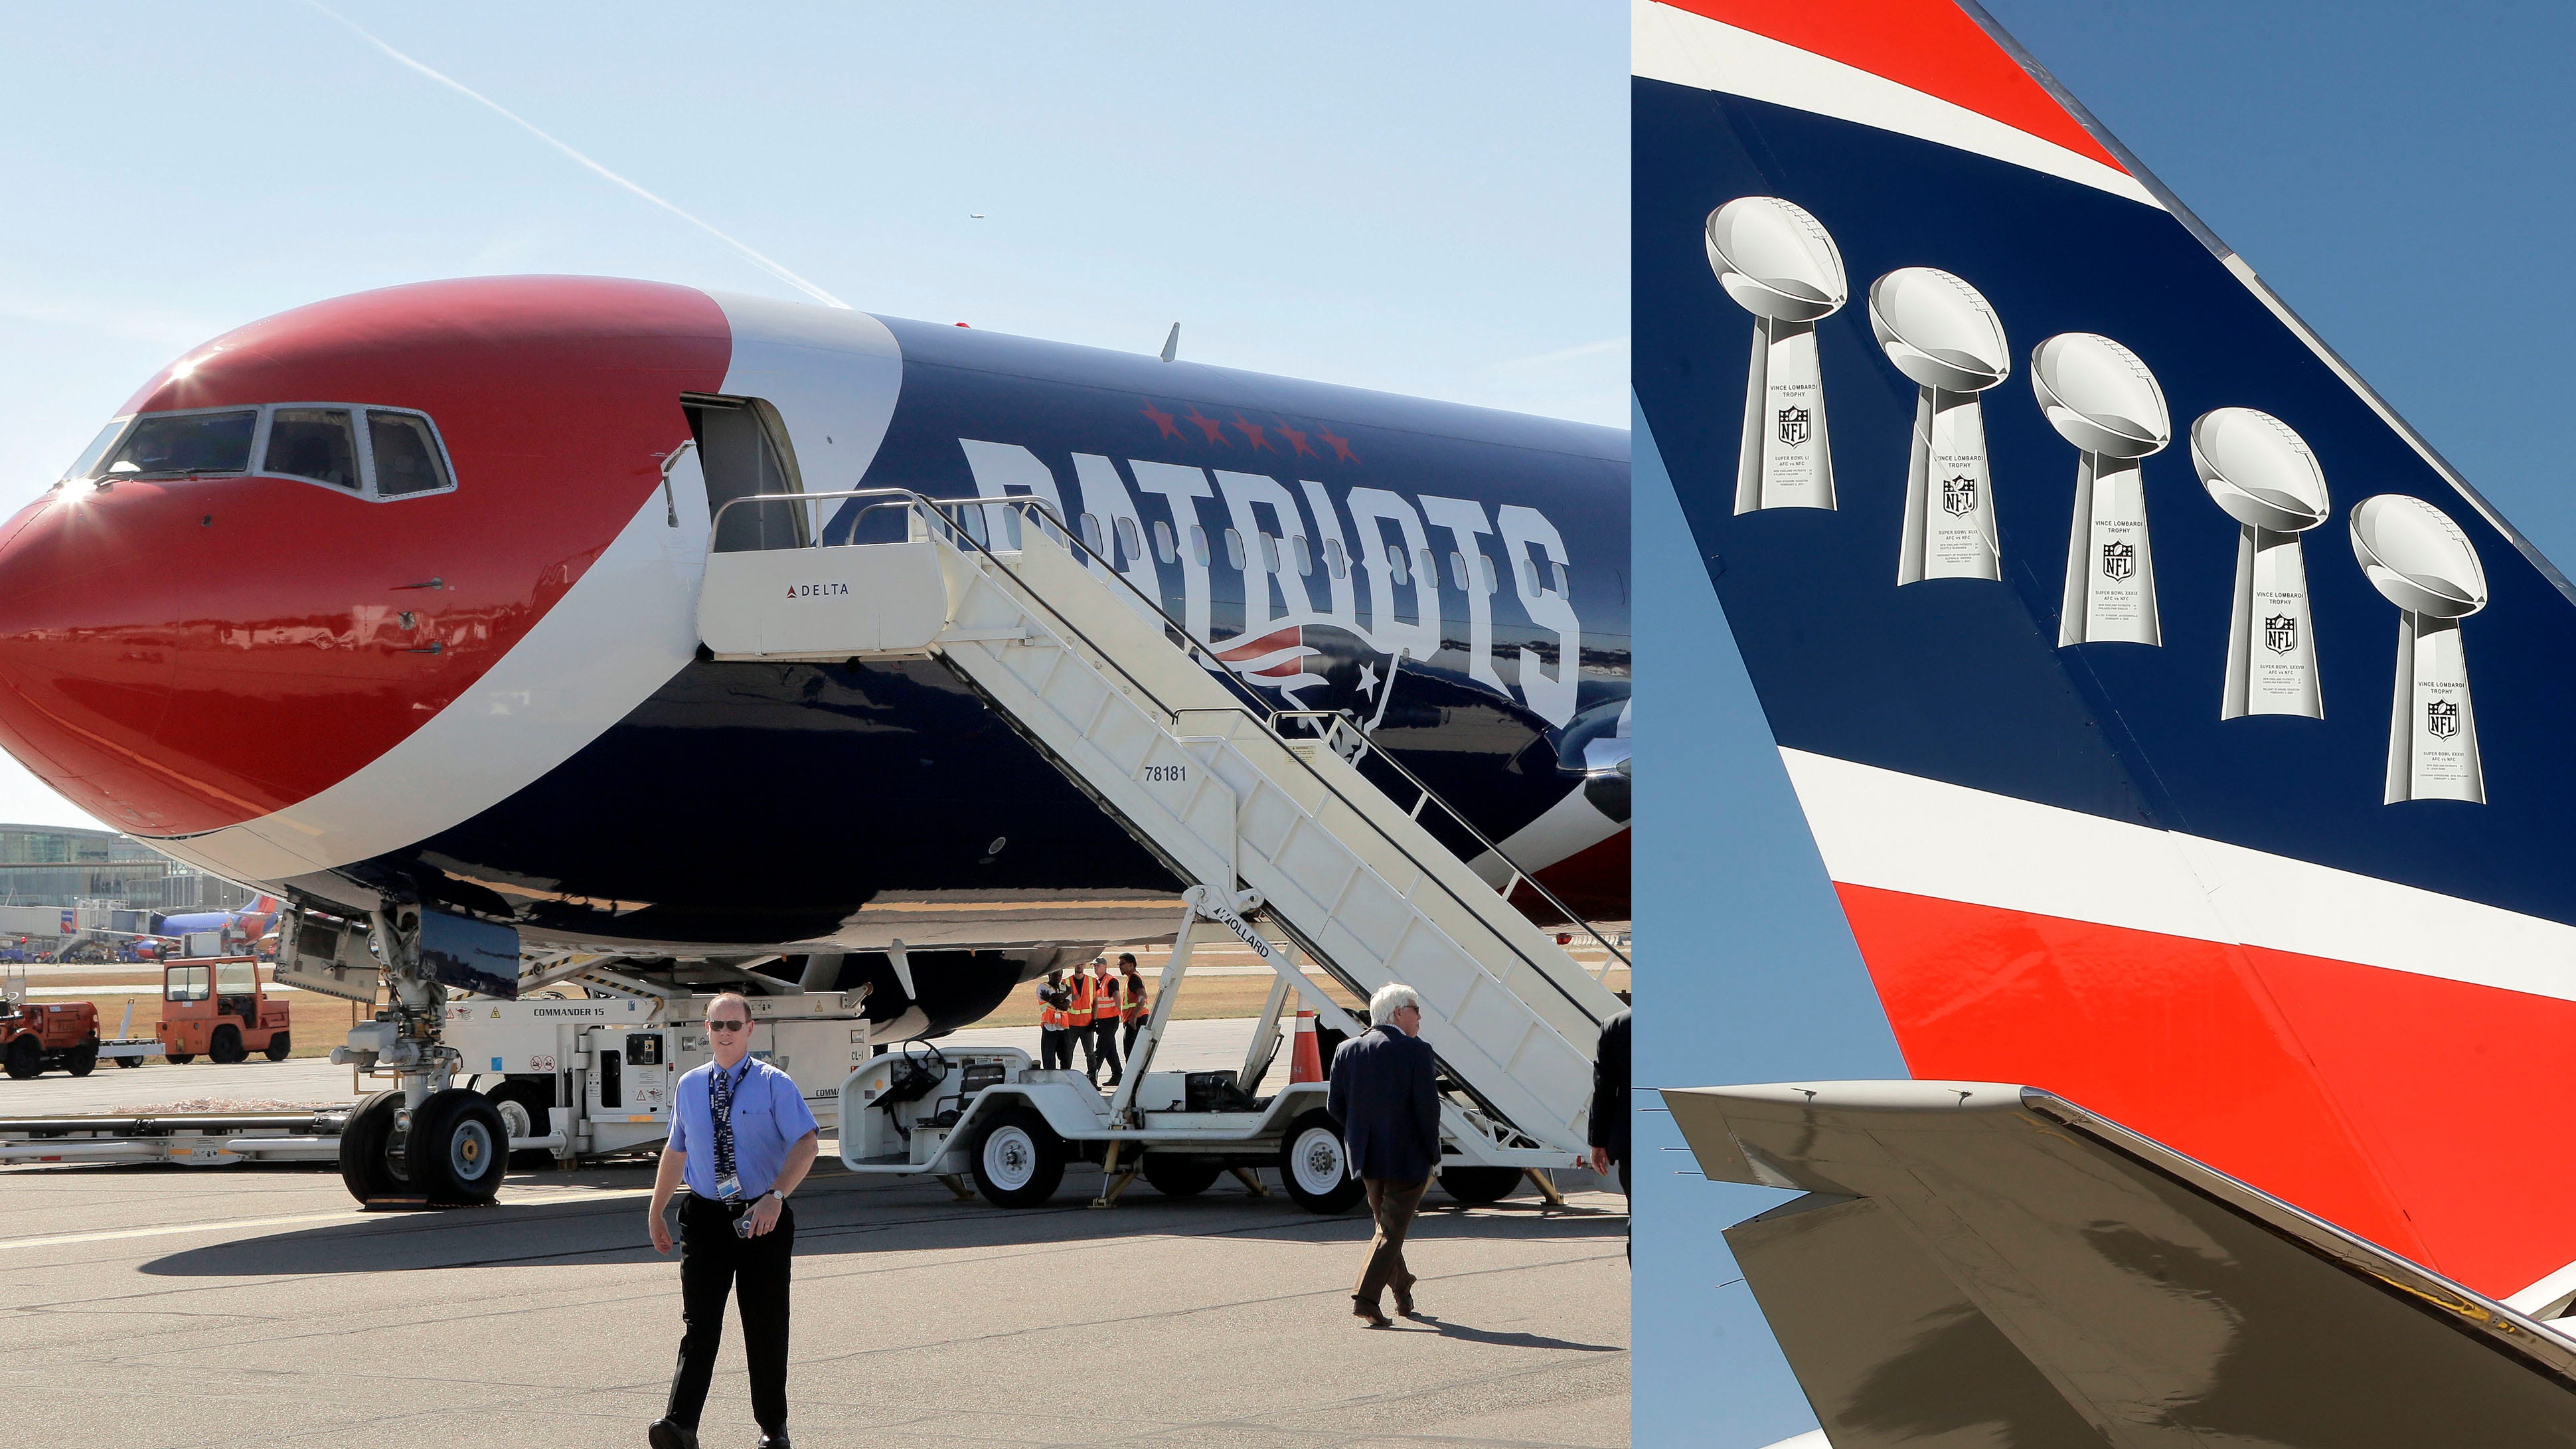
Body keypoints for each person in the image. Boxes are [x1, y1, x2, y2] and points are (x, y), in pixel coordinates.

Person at [647, 992, 820, 1449]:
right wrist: (657, 1208)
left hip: (761, 1217)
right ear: (706, 1030)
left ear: (749, 1030)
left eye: (732, 1025)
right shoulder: (689, 1085)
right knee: (699, 1324)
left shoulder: (773, 1084)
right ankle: (680, 1425)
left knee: (764, 1325)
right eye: (715, 1026)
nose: (723, 1034)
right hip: (704, 1218)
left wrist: (775, 1197)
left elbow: (807, 1144)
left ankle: (772, 1427)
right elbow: (676, 1149)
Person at [1325, 983, 1441, 1327]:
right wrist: (1433, 1153)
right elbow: (1426, 1111)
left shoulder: (1346, 1050)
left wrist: (1361, 1134)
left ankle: (1402, 1288)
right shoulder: (1416, 1051)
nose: (1420, 1016)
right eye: (1416, 1009)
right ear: (1398, 1013)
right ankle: (1366, 1297)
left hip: (1366, 1156)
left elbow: (1336, 1106)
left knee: (1385, 1228)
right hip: (1406, 1157)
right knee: (1390, 1231)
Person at [1589, 1005, 1631, 1262]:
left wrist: (1597, 1141)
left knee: (1639, 1216)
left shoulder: (1615, 1025)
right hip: (1681, 1136)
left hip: (1633, 1141)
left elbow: (1603, 1088)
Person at [1089, 957, 1124, 1086]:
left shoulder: (1111, 981)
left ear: (1105, 966)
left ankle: (1091, 1076)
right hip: (1101, 1021)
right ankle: (1117, 1074)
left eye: (1098, 966)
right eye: (1094, 966)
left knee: (1100, 1049)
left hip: (1110, 1021)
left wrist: (1120, 1012)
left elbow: (1116, 996)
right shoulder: (1097, 982)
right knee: (1110, 1049)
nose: (1096, 968)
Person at [1066, 958, 1100, 1083]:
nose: (1079, 965)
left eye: (1081, 963)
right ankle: (1066, 1078)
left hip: (1087, 1025)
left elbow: (1096, 1003)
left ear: (1084, 965)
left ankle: (1093, 1080)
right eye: (1077, 963)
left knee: (1090, 1054)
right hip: (1071, 1024)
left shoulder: (1092, 982)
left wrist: (1094, 1020)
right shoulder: (1066, 982)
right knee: (1068, 1053)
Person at [1035, 969, 1072, 1070]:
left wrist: (1050, 1000)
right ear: (1049, 975)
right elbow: (1058, 998)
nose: (1058, 978)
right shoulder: (1043, 987)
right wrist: (1068, 993)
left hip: (1063, 1028)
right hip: (1049, 1028)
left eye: (1060, 976)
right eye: (1055, 975)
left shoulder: (1064, 988)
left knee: (1066, 1060)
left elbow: (1065, 1006)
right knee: (1049, 1061)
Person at [1116, 952, 1150, 1059]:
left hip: (1136, 1021)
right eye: (1119, 965)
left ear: (1131, 965)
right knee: (1132, 1053)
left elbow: (1142, 997)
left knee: (1131, 1054)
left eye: (1122, 964)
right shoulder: (1132, 978)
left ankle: (1134, 1076)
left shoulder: (1134, 979)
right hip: (1134, 1020)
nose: (1120, 967)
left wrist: (1134, 1017)